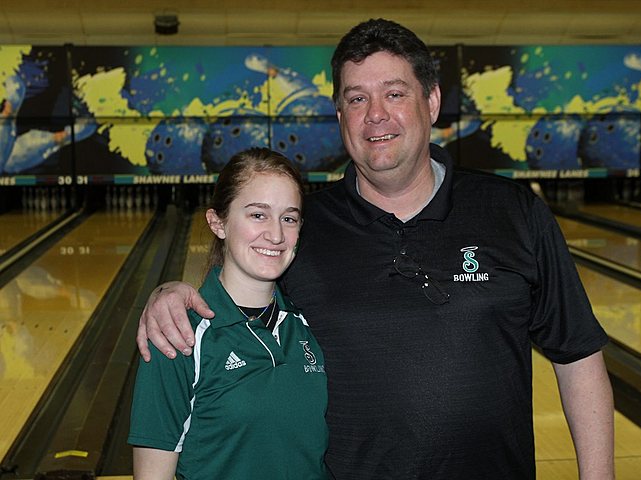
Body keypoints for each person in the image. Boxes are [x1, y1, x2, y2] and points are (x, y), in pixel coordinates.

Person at [136, 19, 615, 479]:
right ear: (340, 114)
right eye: (357, 98)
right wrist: (172, 291)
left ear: (431, 101)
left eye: (394, 93)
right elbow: (238, 292)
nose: (376, 115)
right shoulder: (303, 228)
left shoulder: (513, 212)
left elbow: (577, 356)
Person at [129, 148, 329, 480]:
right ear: (217, 222)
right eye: (257, 215)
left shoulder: (308, 323)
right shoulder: (177, 335)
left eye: (289, 218)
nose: (276, 235)